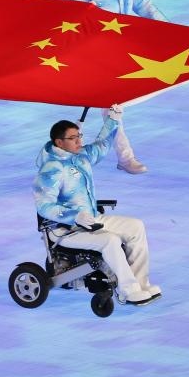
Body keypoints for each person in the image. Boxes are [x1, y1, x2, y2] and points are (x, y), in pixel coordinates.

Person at [66, 0, 167, 174]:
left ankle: (114, 153)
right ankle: (125, 156)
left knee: (113, 103)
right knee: (112, 104)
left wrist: (166, 27)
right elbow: (70, 15)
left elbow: (141, 2)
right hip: (97, 50)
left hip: (121, 45)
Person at [34, 112, 161, 304]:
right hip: (65, 229)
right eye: (73, 138)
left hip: (91, 220)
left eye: (79, 136)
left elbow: (102, 145)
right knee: (110, 240)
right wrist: (74, 216)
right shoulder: (51, 168)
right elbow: (44, 205)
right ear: (59, 142)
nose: (79, 141)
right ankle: (128, 291)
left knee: (136, 226)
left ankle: (141, 284)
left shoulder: (81, 157)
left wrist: (112, 121)